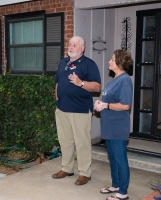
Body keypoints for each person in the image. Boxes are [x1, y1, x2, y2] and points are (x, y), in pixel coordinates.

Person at [52, 36, 101, 185]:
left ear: (82, 48)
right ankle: (67, 168)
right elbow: (57, 82)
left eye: (75, 45)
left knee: (82, 143)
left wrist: (81, 83)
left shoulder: (89, 64)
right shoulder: (63, 62)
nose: (71, 47)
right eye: (70, 44)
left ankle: (85, 173)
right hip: (62, 109)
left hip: (80, 110)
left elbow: (97, 87)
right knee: (65, 141)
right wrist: (56, 98)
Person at [94, 49, 133, 200]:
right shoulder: (115, 80)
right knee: (113, 157)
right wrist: (100, 103)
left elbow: (125, 105)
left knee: (120, 159)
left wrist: (106, 106)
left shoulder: (124, 80)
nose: (109, 61)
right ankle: (115, 185)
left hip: (118, 127)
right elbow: (109, 101)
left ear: (118, 63)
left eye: (111, 59)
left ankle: (123, 192)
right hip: (109, 126)